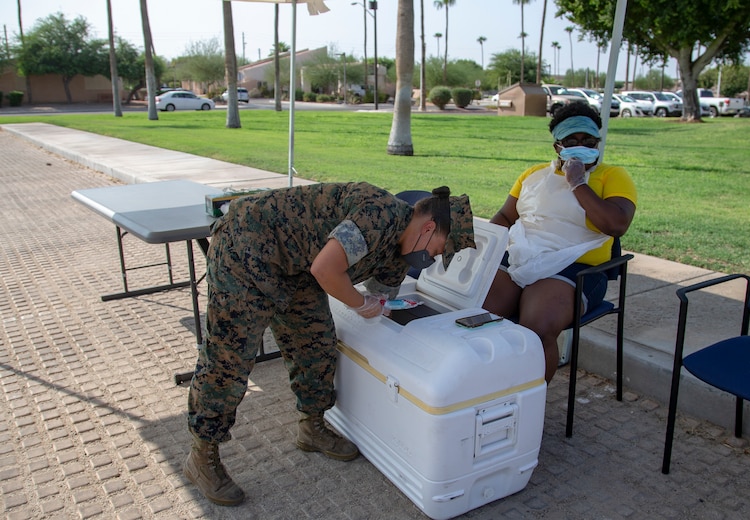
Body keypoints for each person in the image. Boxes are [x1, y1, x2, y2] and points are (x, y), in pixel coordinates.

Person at [185, 182, 475, 506]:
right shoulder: (377, 214)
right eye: (438, 249)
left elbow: (382, 299)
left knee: (317, 346)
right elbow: (325, 269)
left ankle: (311, 426)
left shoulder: (402, 254)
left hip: (296, 268)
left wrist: (385, 313)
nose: (432, 258)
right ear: (429, 227)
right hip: (247, 246)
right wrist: (359, 302)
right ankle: (202, 454)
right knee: (229, 359)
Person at [483, 102, 637, 384]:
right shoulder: (533, 175)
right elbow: (506, 215)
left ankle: (528, 402)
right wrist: (484, 247)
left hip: (574, 267)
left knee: (537, 330)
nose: (582, 146)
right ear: (558, 146)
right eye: (572, 141)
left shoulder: (612, 176)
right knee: (477, 314)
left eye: (588, 141)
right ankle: (485, 389)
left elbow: (615, 225)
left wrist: (578, 183)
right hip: (521, 256)